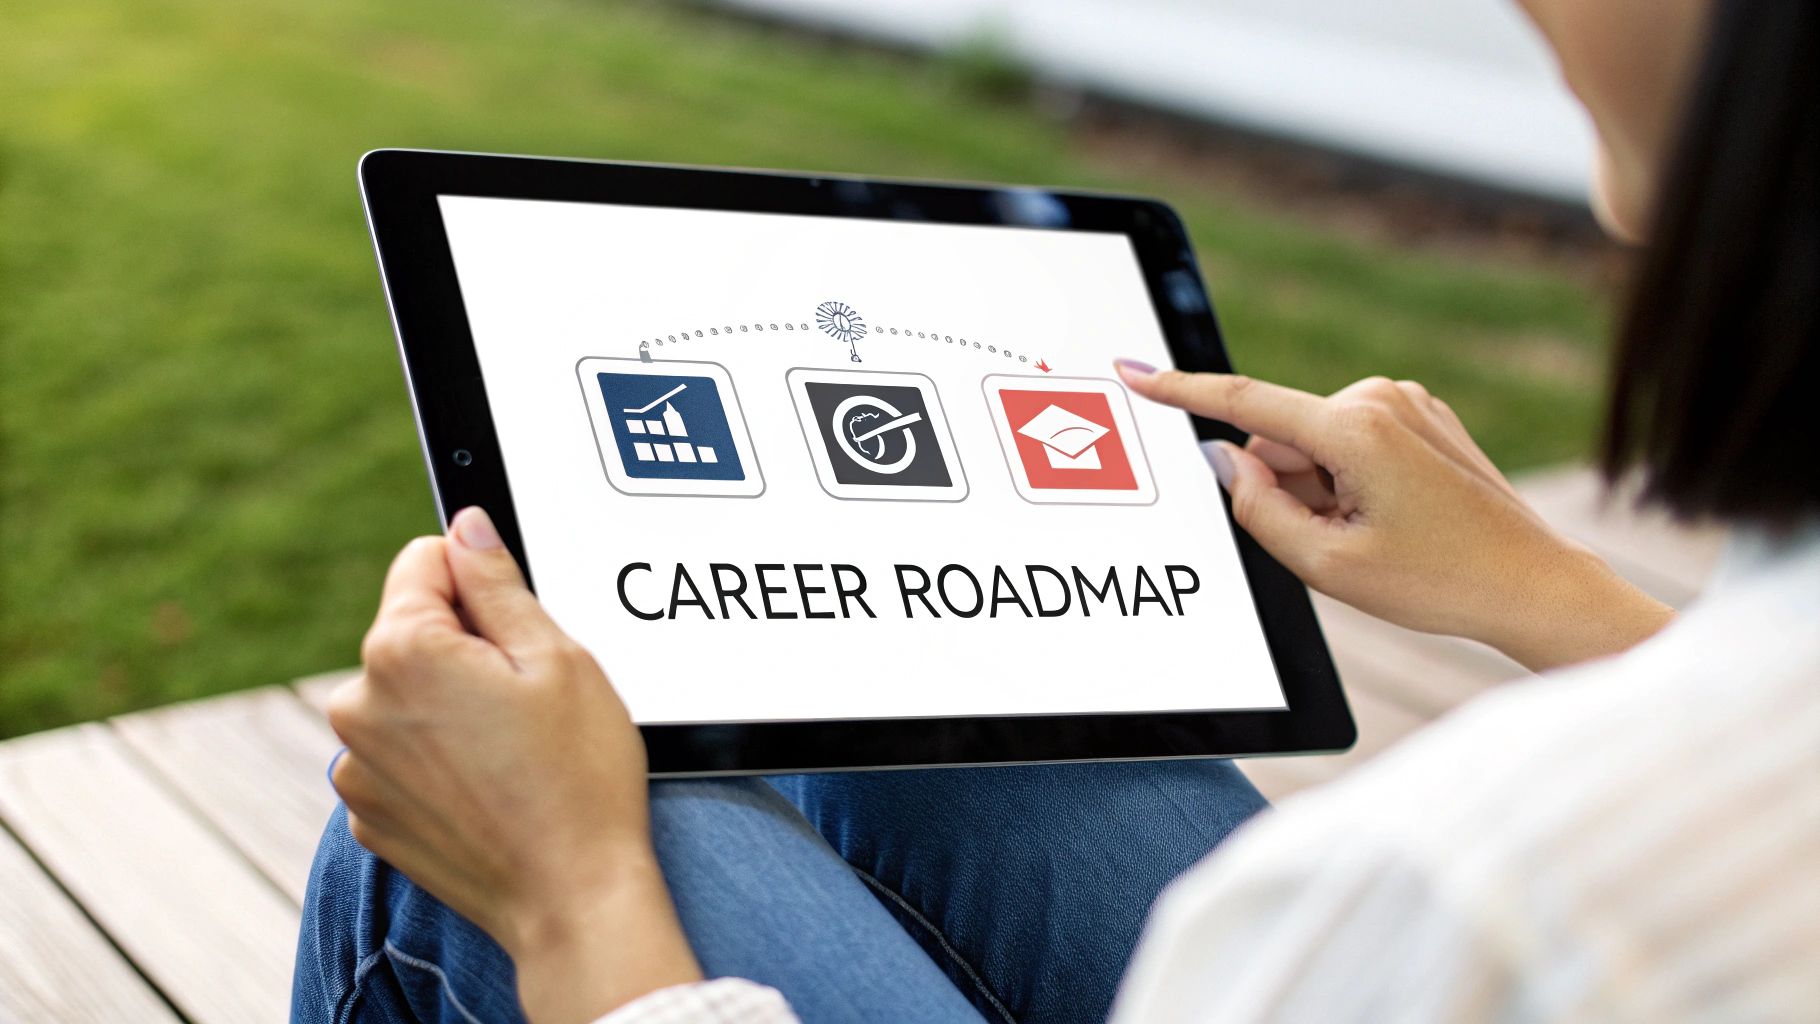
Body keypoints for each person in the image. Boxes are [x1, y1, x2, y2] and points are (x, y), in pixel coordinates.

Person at [294, 0, 1820, 1020]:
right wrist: (1548, 595)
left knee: (462, 839)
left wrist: (573, 907)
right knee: (955, 751)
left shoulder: (1462, 902)